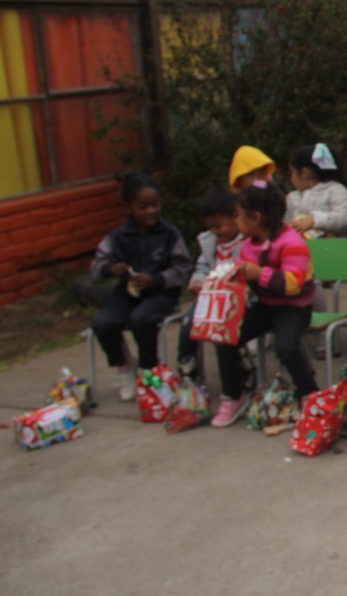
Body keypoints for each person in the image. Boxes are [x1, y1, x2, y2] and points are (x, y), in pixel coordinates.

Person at [211, 181, 320, 427]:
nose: (235, 221)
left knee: (286, 347)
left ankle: (309, 393)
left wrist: (258, 273)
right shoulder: (248, 244)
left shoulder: (292, 242)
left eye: (238, 215)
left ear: (255, 217)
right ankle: (234, 394)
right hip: (265, 304)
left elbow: (294, 284)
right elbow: (244, 275)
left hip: (294, 307)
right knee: (225, 335)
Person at [89, 173, 193, 401]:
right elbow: (97, 266)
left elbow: (183, 268)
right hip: (128, 292)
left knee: (141, 319)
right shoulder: (118, 237)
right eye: (143, 206)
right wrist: (111, 268)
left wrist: (156, 279)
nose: (151, 211)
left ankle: (149, 369)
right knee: (103, 323)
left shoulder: (169, 234)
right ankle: (123, 364)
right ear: (128, 208)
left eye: (155, 205)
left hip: (161, 294)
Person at [176, 186, 245, 378]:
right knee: (189, 322)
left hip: (236, 298)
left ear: (234, 216)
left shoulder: (245, 241)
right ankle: (187, 360)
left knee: (222, 332)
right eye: (210, 227)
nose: (215, 231)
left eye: (218, 225)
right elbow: (202, 266)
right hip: (211, 297)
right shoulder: (209, 242)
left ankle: (238, 367)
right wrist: (197, 280)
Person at [285, 143, 347, 238]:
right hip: (299, 247)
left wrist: (315, 220)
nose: (291, 179)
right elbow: (286, 225)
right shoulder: (292, 197)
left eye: (292, 173)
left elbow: (343, 218)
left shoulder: (336, 190)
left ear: (304, 173)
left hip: (331, 247)